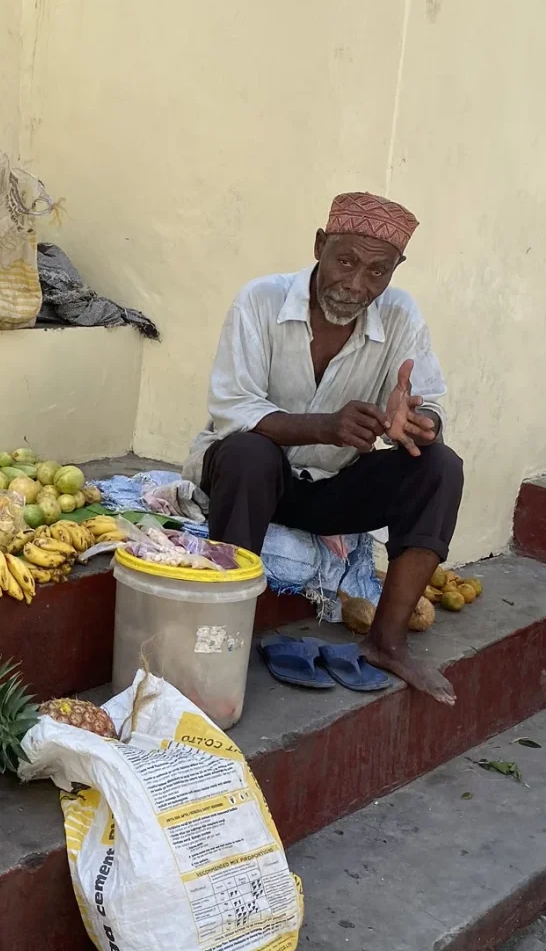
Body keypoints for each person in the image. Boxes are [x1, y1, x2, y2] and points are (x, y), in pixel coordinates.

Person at [184, 192, 463, 704]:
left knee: (440, 466)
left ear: (395, 271)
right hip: (249, 483)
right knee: (249, 453)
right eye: (346, 261)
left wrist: (419, 423)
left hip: (331, 488)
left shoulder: (400, 314)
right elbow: (232, 406)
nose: (357, 284)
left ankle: (386, 642)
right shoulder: (260, 301)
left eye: (377, 272)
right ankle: (223, 635)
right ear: (319, 246)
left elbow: (430, 403)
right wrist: (325, 426)